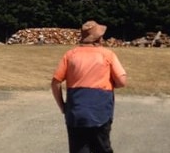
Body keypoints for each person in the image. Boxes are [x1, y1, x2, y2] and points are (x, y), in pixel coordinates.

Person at [51, 20, 127, 153]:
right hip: (100, 112)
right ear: (99, 38)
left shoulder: (70, 55)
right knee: (102, 148)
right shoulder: (107, 54)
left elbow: (55, 82)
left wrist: (63, 106)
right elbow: (122, 81)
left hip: (75, 114)